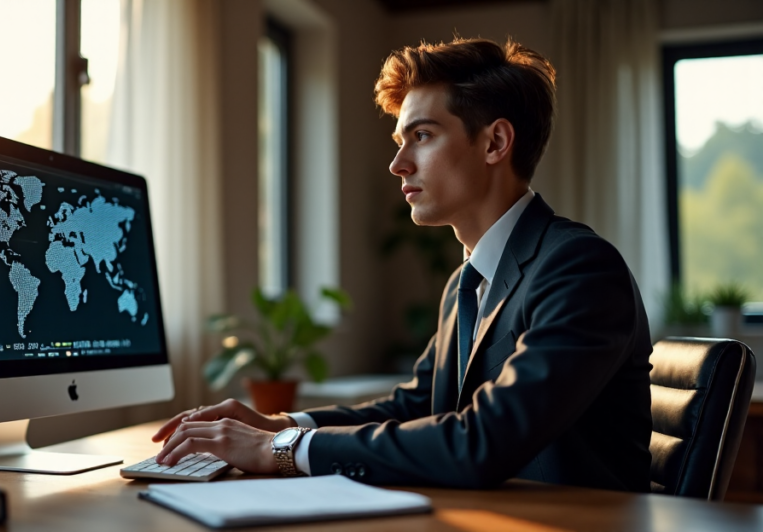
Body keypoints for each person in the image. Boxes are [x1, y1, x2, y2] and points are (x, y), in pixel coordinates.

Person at [153, 37, 653, 491]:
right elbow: (412, 407)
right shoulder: (467, 280)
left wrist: (276, 452)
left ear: (495, 143)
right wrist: (284, 426)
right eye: (401, 141)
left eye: (423, 135)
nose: (399, 164)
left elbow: (483, 441)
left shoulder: (579, 268)